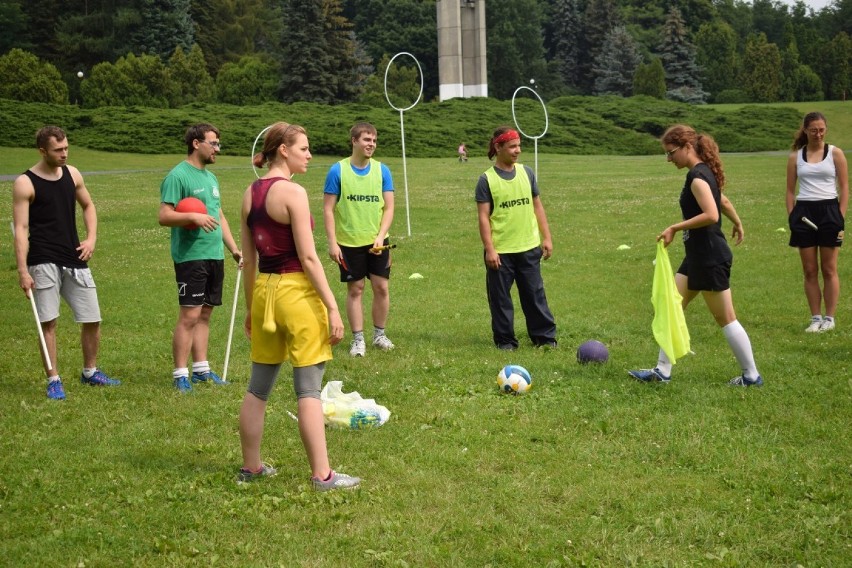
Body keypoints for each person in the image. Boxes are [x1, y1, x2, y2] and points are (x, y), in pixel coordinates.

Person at [237, 122, 360, 491]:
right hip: (296, 295)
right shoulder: (292, 192)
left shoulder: (249, 193)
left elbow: (249, 259)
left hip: (264, 295)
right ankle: (323, 475)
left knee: (258, 388)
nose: (309, 155)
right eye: (304, 148)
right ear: (284, 150)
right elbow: (308, 257)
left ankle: (251, 467)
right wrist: (333, 308)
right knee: (308, 389)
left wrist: (250, 309)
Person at [629, 124, 763, 387]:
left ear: (687, 147)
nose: (669, 159)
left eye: (671, 153)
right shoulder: (701, 173)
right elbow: (721, 202)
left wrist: (675, 227)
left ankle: (751, 376)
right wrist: (737, 221)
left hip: (709, 257)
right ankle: (662, 371)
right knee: (672, 305)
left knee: (725, 318)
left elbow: (711, 214)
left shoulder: (698, 177)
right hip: (697, 257)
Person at [11, 126, 120, 400]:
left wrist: (92, 238)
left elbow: (88, 205)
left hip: (75, 258)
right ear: (42, 151)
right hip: (42, 260)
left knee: (92, 317)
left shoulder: (72, 174)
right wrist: (23, 271)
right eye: (58, 150)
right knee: (48, 322)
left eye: (66, 148)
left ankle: (90, 372)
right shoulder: (25, 183)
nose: (64, 154)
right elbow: (21, 229)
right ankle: (54, 379)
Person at [158, 123, 241, 392]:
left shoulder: (211, 178)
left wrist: (234, 248)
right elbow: (164, 215)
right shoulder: (178, 176)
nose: (217, 149)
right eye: (213, 143)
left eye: (218, 144)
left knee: (205, 314)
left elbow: (219, 216)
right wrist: (192, 217)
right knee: (189, 316)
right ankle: (180, 374)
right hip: (190, 257)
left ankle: (201, 370)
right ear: (196, 144)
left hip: (213, 255)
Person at [475, 126, 557, 350]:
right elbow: (483, 218)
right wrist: (490, 249)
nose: (517, 150)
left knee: (534, 295)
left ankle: (545, 338)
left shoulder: (527, 173)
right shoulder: (486, 180)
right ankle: (505, 341)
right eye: (512, 146)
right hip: (501, 251)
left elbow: (537, 207)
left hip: (529, 247)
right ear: (498, 147)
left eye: (519, 145)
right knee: (501, 300)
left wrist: (546, 238)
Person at [323, 122, 395, 357]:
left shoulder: (382, 170)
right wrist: (333, 242)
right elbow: (328, 209)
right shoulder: (337, 170)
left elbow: (389, 207)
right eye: (366, 140)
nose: (371, 144)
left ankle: (379, 335)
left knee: (381, 287)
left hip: (378, 241)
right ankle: (358, 340)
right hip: (349, 242)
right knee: (356, 289)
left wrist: (381, 236)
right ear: (354, 141)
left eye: (374, 140)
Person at [786, 111, 848, 333]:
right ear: (805, 130)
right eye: (813, 130)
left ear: (826, 130)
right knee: (810, 270)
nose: (818, 134)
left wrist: (839, 216)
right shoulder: (796, 157)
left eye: (822, 130)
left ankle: (829, 319)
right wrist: (792, 216)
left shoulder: (835, 153)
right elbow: (790, 191)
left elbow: (844, 188)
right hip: (804, 212)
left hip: (829, 211)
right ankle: (815, 318)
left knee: (829, 269)